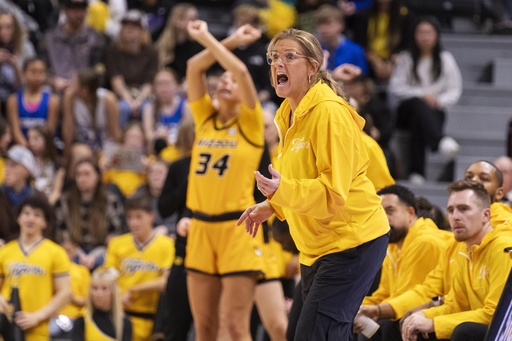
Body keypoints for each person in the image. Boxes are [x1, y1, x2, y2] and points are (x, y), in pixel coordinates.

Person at [237, 27, 390, 340]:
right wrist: (272, 206)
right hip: (316, 246)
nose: (278, 64)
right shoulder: (288, 114)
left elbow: (334, 191)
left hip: (352, 241)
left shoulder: (329, 113)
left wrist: (282, 192)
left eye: (290, 57)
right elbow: (302, 179)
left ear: (312, 66)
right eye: (274, 58)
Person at [185, 20, 267, 341]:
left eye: (230, 79)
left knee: (234, 327)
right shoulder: (205, 118)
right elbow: (194, 67)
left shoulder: (251, 123)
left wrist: (205, 36)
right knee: (204, 329)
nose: (225, 80)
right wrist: (231, 39)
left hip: (238, 228)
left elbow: (243, 73)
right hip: (200, 228)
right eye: (221, 77)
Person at [401, 180, 512, 341]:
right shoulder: (463, 250)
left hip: (505, 330)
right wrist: (424, 315)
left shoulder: (503, 248)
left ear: (486, 215)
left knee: (464, 331)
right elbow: (457, 305)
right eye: (451, 210)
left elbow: (495, 315)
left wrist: (435, 323)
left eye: (464, 209)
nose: (455, 217)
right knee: (413, 324)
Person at [355, 185, 448, 340]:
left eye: (390, 211)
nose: (383, 218)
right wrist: (358, 307)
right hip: (412, 307)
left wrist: (376, 310)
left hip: (437, 310)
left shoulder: (426, 242)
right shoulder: (393, 246)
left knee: (386, 323)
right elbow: (385, 293)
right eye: (378, 213)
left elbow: (413, 297)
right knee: (352, 317)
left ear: (410, 213)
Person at [388, 17, 462, 183]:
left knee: (419, 119)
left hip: (433, 111)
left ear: (436, 35)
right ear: (414, 35)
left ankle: (417, 173)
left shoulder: (445, 59)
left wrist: (438, 101)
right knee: (416, 104)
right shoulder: (406, 58)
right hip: (405, 110)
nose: (425, 37)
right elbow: (396, 87)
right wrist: (421, 94)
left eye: (428, 33)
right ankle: (440, 140)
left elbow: (454, 89)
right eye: (421, 32)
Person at [0, 195, 72, 341]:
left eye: (37, 215)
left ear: (45, 222)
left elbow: (65, 293)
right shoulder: (5, 251)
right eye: (26, 213)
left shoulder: (56, 252)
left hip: (37, 328)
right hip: (5, 326)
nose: (30, 219)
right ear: (18, 218)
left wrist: (38, 316)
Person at [104, 194, 174, 341]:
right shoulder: (117, 243)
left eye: (138, 217)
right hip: (119, 315)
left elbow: (166, 282)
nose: (133, 223)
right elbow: (107, 278)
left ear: (151, 217)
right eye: (130, 217)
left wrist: (133, 289)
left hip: (151, 318)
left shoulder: (166, 245)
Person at [54, 158, 126, 270]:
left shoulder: (111, 201)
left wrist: (95, 255)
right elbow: (61, 233)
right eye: (79, 175)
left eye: (87, 174)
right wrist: (78, 253)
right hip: (73, 251)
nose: (82, 179)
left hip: (102, 250)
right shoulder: (64, 201)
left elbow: (115, 235)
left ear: (97, 176)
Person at [40, 0, 107, 95]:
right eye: (74, 9)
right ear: (64, 9)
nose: (79, 13)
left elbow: (99, 71)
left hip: (86, 89)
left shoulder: (95, 38)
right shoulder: (49, 38)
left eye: (83, 8)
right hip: (55, 89)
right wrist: (52, 81)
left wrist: (82, 82)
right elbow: (41, 69)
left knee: (105, 96)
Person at [105, 9, 158, 127]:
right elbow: (116, 80)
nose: (129, 29)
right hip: (121, 95)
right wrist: (130, 102)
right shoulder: (113, 50)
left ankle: (149, 141)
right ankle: (118, 140)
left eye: (134, 26)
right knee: (123, 108)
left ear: (142, 31)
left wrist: (138, 101)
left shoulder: (151, 51)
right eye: (125, 25)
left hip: (144, 94)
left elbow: (149, 81)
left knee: (148, 108)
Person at [62, 67, 120, 158]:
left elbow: (114, 132)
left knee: (107, 156)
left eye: (73, 83)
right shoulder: (70, 98)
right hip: (82, 145)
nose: (69, 85)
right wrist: (66, 155)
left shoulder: (108, 99)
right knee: (81, 153)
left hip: (105, 144)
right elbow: (69, 130)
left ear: (84, 91)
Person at [7, 58, 59, 147]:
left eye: (41, 72)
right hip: (22, 147)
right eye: (33, 72)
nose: (37, 76)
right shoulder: (13, 100)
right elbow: (15, 131)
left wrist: (39, 148)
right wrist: (27, 147)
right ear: (23, 73)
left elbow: (50, 131)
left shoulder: (52, 100)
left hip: (45, 147)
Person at [72, 267, 133, 341]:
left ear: (113, 292)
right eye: (95, 288)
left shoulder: (124, 322)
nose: (99, 293)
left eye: (104, 288)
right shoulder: (82, 320)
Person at [141, 68, 190, 151]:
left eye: (167, 83)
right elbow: (148, 136)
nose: (163, 88)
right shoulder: (150, 108)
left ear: (176, 85)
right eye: (159, 84)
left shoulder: (186, 105)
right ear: (154, 88)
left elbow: (188, 133)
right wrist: (158, 135)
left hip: (179, 149)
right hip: (159, 149)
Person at [0, 8, 36, 113]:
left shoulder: (26, 48)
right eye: (0, 27)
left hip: (21, 96)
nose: (4, 32)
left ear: (15, 28)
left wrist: (16, 67)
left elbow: (30, 84)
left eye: (8, 27)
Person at [314, 4, 368, 73]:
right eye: (320, 24)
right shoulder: (313, 49)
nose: (323, 29)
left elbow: (362, 79)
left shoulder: (355, 50)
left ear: (341, 25)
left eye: (328, 23)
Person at [155, 3, 201, 81]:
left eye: (196, 18)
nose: (197, 22)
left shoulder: (198, 45)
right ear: (178, 21)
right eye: (192, 19)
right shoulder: (160, 43)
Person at [27, 125, 65, 205]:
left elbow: (56, 192)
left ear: (47, 140)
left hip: (50, 202)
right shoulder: (25, 163)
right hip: (29, 200)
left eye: (36, 138)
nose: (31, 142)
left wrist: (47, 207)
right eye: (29, 138)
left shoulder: (57, 165)